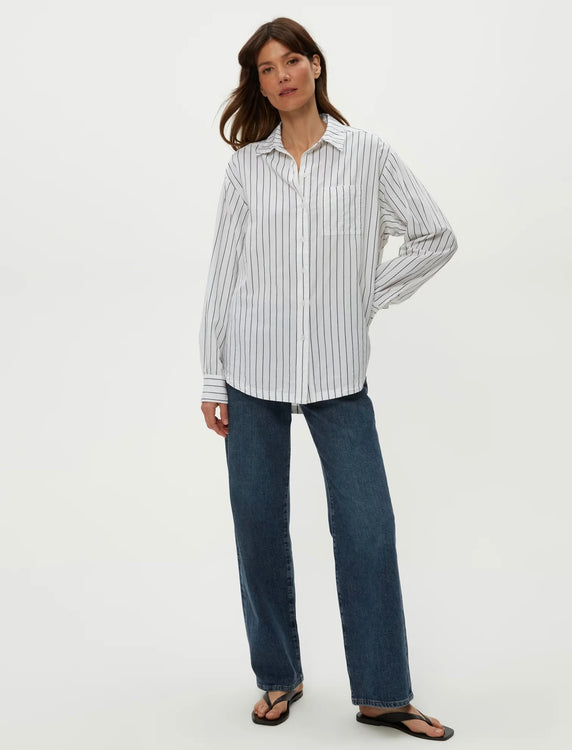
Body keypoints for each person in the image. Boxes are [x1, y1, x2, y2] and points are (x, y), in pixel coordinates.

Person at [199, 17, 457, 741]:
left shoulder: (368, 155)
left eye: (291, 61)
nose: (280, 77)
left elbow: (436, 234)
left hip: (338, 377)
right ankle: (278, 677)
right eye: (265, 70)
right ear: (259, 85)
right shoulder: (247, 168)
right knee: (258, 527)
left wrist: (366, 294)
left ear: (315, 66)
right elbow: (223, 277)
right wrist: (212, 378)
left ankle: (382, 693)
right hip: (252, 372)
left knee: (368, 531)